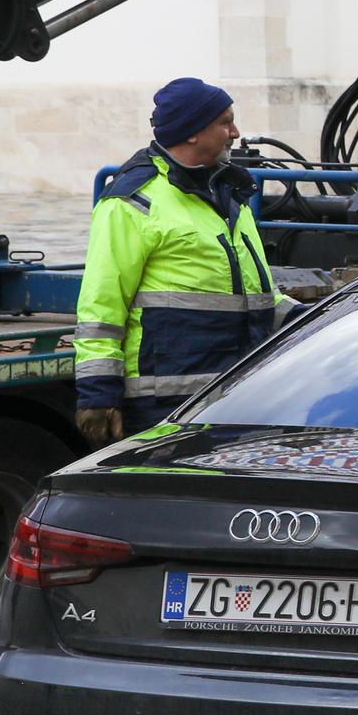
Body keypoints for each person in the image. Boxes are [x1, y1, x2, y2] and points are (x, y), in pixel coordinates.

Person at [73, 78, 301, 447]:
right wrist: (98, 394)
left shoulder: (230, 194)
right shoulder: (132, 201)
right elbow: (102, 307)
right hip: (164, 404)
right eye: (225, 122)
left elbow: (259, 295)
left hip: (236, 393)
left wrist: (323, 323)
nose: (235, 132)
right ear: (193, 132)